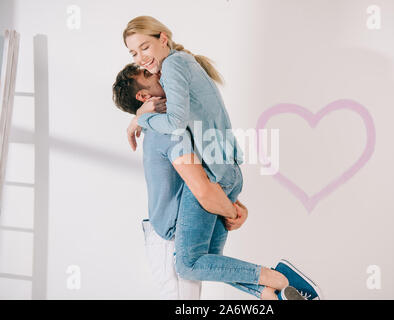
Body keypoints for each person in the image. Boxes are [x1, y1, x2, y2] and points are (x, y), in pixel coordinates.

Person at [116, 15, 323, 300]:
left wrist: (142, 119)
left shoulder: (174, 65)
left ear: (163, 38)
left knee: (189, 264)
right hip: (228, 170)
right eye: (133, 53)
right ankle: (271, 293)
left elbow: (176, 124)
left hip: (213, 173)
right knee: (209, 261)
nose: (141, 58)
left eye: (144, 48)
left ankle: (280, 277)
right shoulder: (186, 64)